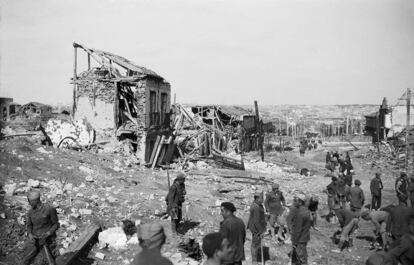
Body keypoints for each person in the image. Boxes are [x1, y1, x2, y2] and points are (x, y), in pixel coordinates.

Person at [21, 191, 60, 265]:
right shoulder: (30, 212)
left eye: (30, 201)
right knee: (26, 260)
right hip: (35, 240)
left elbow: (56, 224)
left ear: (36, 201)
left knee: (51, 261)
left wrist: (47, 234)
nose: (29, 203)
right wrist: (30, 234)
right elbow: (29, 225)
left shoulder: (49, 209)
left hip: (48, 240)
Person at [287, 192, 311, 265]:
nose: (294, 202)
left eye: (295, 200)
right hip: (305, 236)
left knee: (301, 256)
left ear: (300, 202)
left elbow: (298, 230)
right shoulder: (306, 210)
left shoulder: (300, 214)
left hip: (300, 238)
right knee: (302, 253)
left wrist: (294, 241)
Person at [247, 192, 266, 265]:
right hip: (256, 229)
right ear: (257, 198)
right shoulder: (255, 207)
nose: (263, 200)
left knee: (257, 243)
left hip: (259, 228)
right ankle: (254, 261)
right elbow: (256, 221)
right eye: (262, 198)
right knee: (254, 244)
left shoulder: (259, 205)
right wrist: (261, 231)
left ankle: (256, 258)